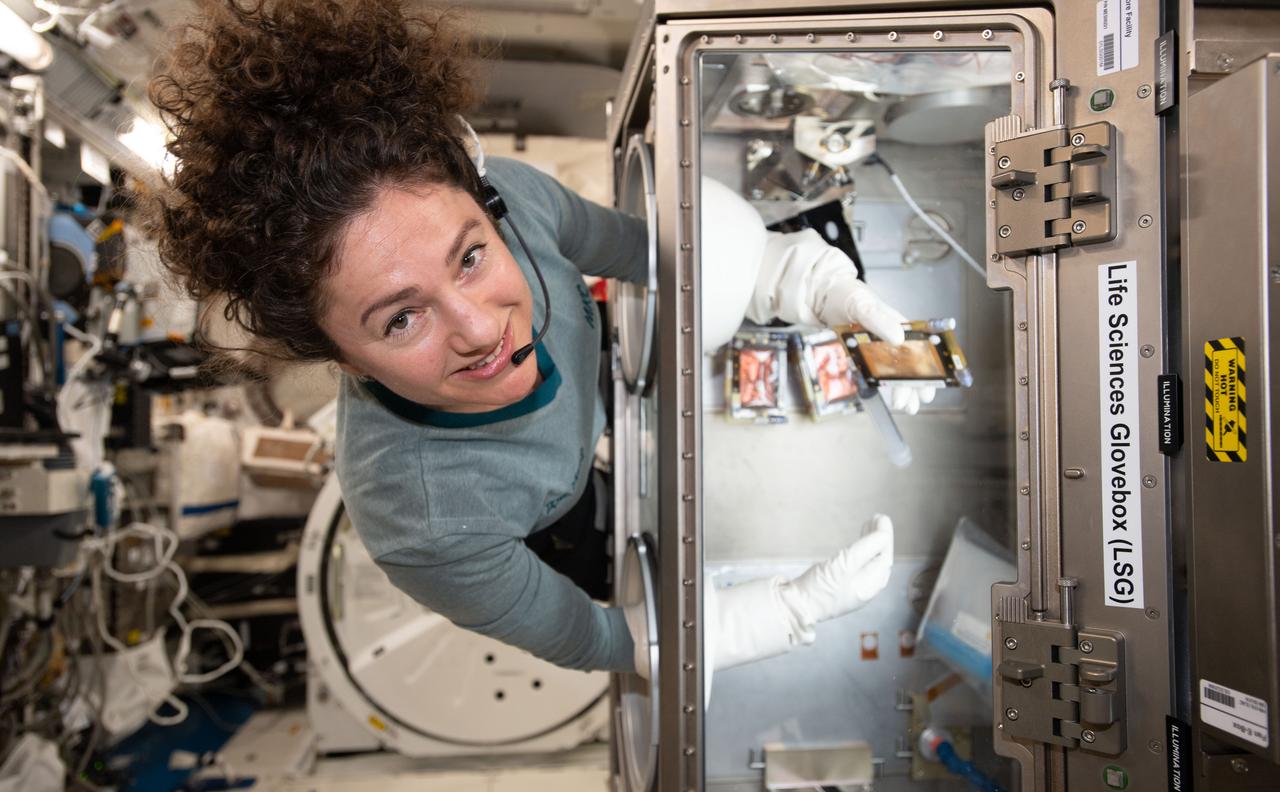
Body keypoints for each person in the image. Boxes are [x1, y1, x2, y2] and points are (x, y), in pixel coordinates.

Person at [146, 0, 921, 679]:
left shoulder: (517, 201)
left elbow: (654, 251)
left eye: (471, 256)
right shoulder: (427, 524)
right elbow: (594, 634)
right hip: (558, 513)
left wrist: (805, 277)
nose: (483, 330)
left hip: (600, 382)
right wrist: (773, 615)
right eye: (401, 318)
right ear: (341, 359)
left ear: (486, 209)